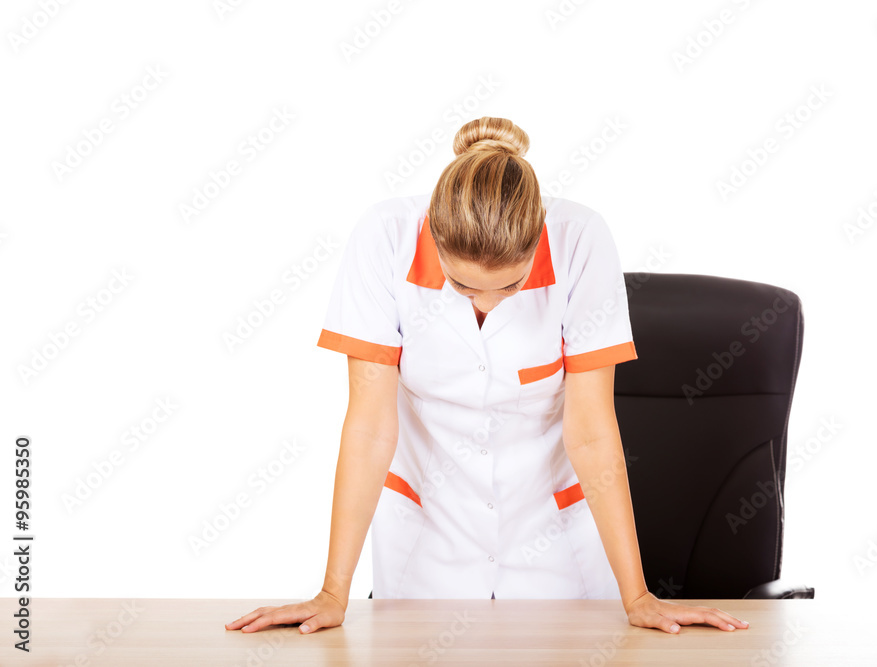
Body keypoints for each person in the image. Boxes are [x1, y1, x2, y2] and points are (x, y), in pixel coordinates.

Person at [226, 117, 750, 636]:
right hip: (426, 542)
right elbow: (369, 427)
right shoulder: (385, 237)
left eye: (511, 287)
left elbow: (591, 430)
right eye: (462, 286)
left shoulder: (580, 239)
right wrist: (332, 593)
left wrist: (637, 595)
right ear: (434, 237)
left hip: (555, 543)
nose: (488, 304)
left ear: (537, 241)